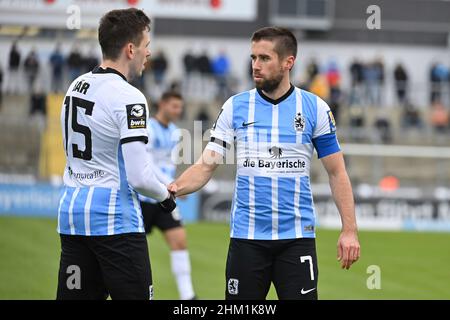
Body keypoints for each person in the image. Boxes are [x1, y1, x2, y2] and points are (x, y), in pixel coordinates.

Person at [168, 27, 360, 300]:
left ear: (288, 62)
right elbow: (206, 165)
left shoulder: (314, 108)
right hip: (247, 240)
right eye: (253, 57)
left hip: (296, 239)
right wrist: (175, 187)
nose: (255, 66)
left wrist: (349, 230)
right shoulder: (235, 107)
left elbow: (337, 172)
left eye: (264, 58)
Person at [56, 8, 176, 300]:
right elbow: (139, 177)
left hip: (72, 217)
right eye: (147, 46)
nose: (149, 53)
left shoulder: (76, 87)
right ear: (131, 49)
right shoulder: (130, 97)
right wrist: (166, 197)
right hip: (115, 222)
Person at [138, 91, 197, 300]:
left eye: (180, 107)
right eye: (174, 106)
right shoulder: (148, 128)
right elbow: (147, 163)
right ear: (162, 104)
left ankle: (188, 297)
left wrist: (177, 186)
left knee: (179, 241)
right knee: (133, 250)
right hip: (144, 198)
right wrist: (170, 185)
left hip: (165, 199)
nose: (178, 110)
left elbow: (168, 165)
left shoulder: (175, 132)